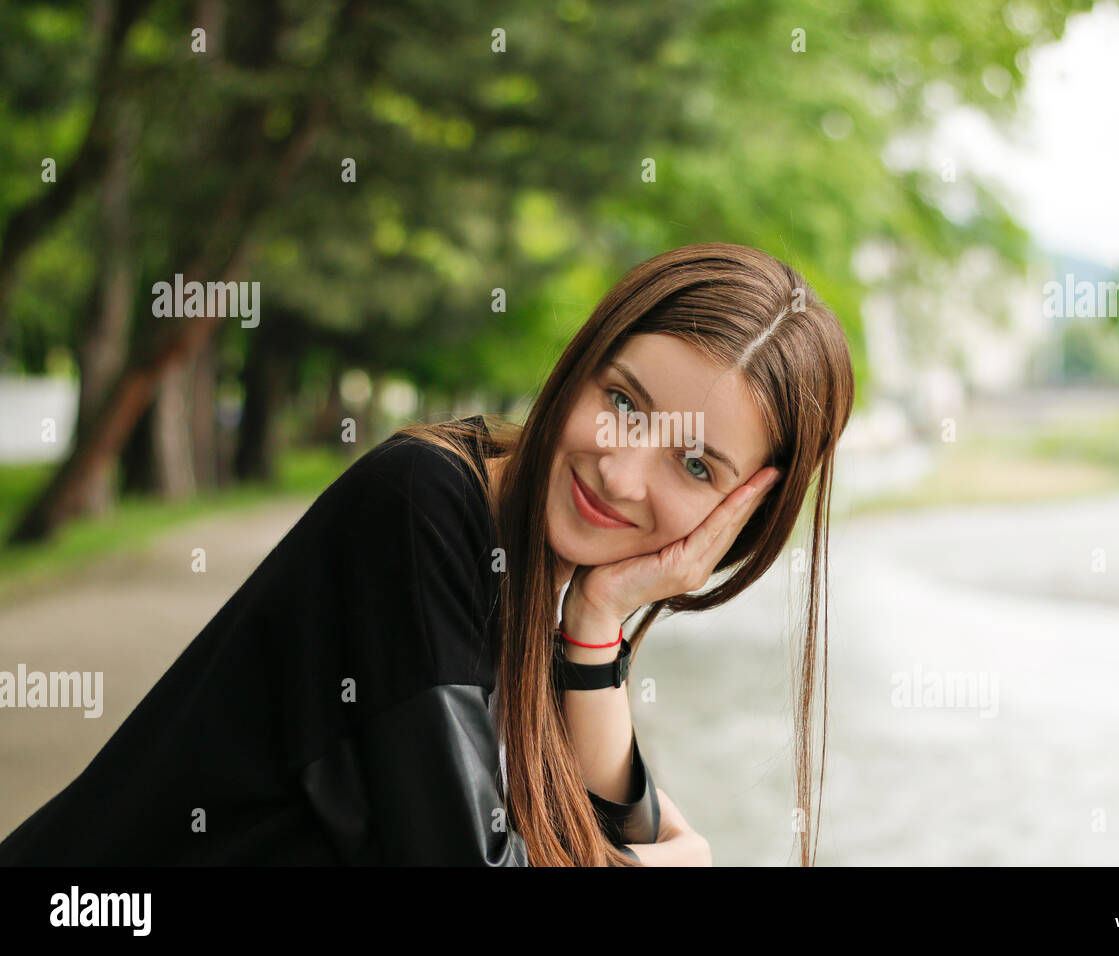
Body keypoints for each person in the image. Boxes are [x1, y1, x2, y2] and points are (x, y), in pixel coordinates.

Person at [0, 241, 854, 867]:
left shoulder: (542, 578)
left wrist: (595, 622)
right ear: (584, 363)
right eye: (625, 402)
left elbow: (613, 820)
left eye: (696, 463)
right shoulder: (424, 505)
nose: (621, 470)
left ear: (740, 515)